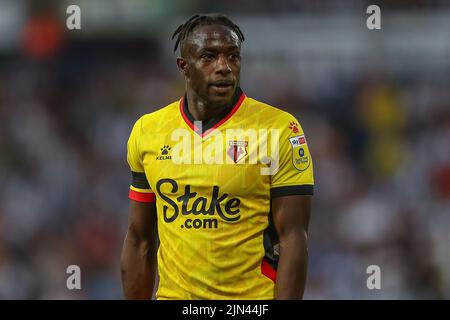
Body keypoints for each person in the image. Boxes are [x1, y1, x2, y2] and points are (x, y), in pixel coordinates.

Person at [121, 13, 314, 300]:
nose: (224, 67)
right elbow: (140, 238)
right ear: (184, 67)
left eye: (233, 57)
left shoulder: (279, 130)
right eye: (209, 57)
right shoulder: (147, 131)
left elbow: (293, 239)